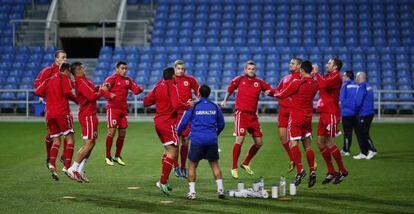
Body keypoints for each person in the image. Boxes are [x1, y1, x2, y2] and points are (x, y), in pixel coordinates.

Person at [221, 60, 274, 179]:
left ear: (255, 70)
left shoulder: (259, 82)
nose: (251, 71)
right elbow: (230, 88)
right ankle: (233, 167)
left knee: (259, 142)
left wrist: (271, 92)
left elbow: (270, 91)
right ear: (245, 70)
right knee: (240, 140)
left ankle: (245, 163)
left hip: (253, 116)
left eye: (253, 69)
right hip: (241, 114)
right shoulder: (239, 79)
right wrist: (225, 100)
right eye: (249, 69)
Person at [143, 67, 190, 195]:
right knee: (174, 152)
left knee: (167, 150)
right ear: (173, 76)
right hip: (167, 123)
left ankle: (164, 179)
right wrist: (188, 105)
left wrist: (159, 101)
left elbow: (146, 102)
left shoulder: (158, 86)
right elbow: (176, 105)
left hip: (158, 122)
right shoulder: (172, 86)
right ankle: (162, 181)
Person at [177, 84, 225, 200]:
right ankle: (220, 190)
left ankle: (192, 192)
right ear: (209, 93)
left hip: (197, 140)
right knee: (214, 164)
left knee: (192, 165)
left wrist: (178, 132)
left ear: (198, 93)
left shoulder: (193, 106)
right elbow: (222, 124)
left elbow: (183, 123)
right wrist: (215, 134)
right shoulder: (215, 106)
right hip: (211, 140)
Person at [275, 60, 319, 187]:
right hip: (308, 118)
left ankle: (300, 171)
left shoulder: (297, 83)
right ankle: (312, 171)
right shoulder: (315, 84)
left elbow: (281, 94)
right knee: (308, 147)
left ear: (301, 70)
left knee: (293, 143)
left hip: (296, 117)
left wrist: (275, 93)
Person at [67, 62, 112, 182]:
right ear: (78, 70)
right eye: (82, 67)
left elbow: (93, 88)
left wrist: (102, 87)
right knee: (89, 143)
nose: (84, 69)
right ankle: (73, 168)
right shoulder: (80, 82)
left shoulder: (83, 80)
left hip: (90, 115)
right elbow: (92, 97)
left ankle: (80, 169)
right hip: (88, 116)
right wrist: (103, 91)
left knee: (91, 143)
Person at [35, 62, 77, 181]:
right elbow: (68, 93)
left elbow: (38, 92)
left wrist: (49, 95)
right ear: (67, 70)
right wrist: (78, 100)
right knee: (70, 138)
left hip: (50, 114)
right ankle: (67, 166)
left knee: (56, 140)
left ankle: (52, 164)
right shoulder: (64, 78)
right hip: (62, 113)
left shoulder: (49, 80)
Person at [314, 58, 349, 185]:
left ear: (335, 67)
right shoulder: (328, 76)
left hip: (331, 114)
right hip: (323, 113)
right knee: (320, 142)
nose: (327, 65)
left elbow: (322, 85)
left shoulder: (336, 77)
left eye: (329, 63)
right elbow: (319, 85)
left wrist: (316, 73)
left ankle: (342, 170)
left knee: (329, 143)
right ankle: (331, 171)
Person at [103, 61, 144, 166]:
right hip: (113, 109)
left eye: (125, 68)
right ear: (117, 69)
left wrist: (140, 89)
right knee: (111, 133)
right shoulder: (111, 79)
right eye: (122, 68)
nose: (124, 70)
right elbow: (103, 90)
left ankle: (117, 156)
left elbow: (135, 91)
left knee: (122, 134)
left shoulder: (128, 80)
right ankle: (107, 156)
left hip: (123, 110)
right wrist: (109, 94)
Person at [33, 50, 69, 169]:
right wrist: (48, 95)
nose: (65, 60)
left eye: (66, 58)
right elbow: (37, 84)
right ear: (56, 59)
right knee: (51, 135)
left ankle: (64, 156)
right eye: (62, 58)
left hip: (64, 107)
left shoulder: (66, 72)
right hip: (51, 108)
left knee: (67, 132)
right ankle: (49, 157)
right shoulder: (47, 71)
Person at [173, 60, 200, 178]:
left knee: (185, 140)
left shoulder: (190, 80)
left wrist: (194, 101)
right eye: (178, 68)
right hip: (174, 114)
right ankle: (175, 166)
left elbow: (199, 95)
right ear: (174, 69)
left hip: (186, 114)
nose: (180, 71)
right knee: (175, 141)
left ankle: (183, 167)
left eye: (182, 69)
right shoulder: (170, 80)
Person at [275, 58, 302, 172]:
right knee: (282, 137)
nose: (290, 64)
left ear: (299, 66)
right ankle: (292, 159)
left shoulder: (301, 79)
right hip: (283, 111)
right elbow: (277, 91)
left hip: (293, 111)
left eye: (293, 63)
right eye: (290, 63)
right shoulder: (285, 78)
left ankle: (302, 162)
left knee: (293, 140)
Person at [353, 72, 377, 160]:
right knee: (361, 132)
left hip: (364, 113)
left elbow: (358, 102)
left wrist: (355, 111)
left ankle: (372, 150)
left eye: (357, 77)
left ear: (360, 77)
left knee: (363, 133)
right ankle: (363, 152)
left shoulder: (362, 87)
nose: (356, 79)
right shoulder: (368, 86)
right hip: (368, 112)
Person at [339, 71, 358, 156]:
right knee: (358, 132)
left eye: (344, 75)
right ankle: (364, 150)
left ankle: (346, 150)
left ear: (347, 77)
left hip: (347, 113)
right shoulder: (357, 85)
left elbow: (342, 99)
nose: (342, 77)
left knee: (347, 133)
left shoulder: (345, 86)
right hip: (356, 113)